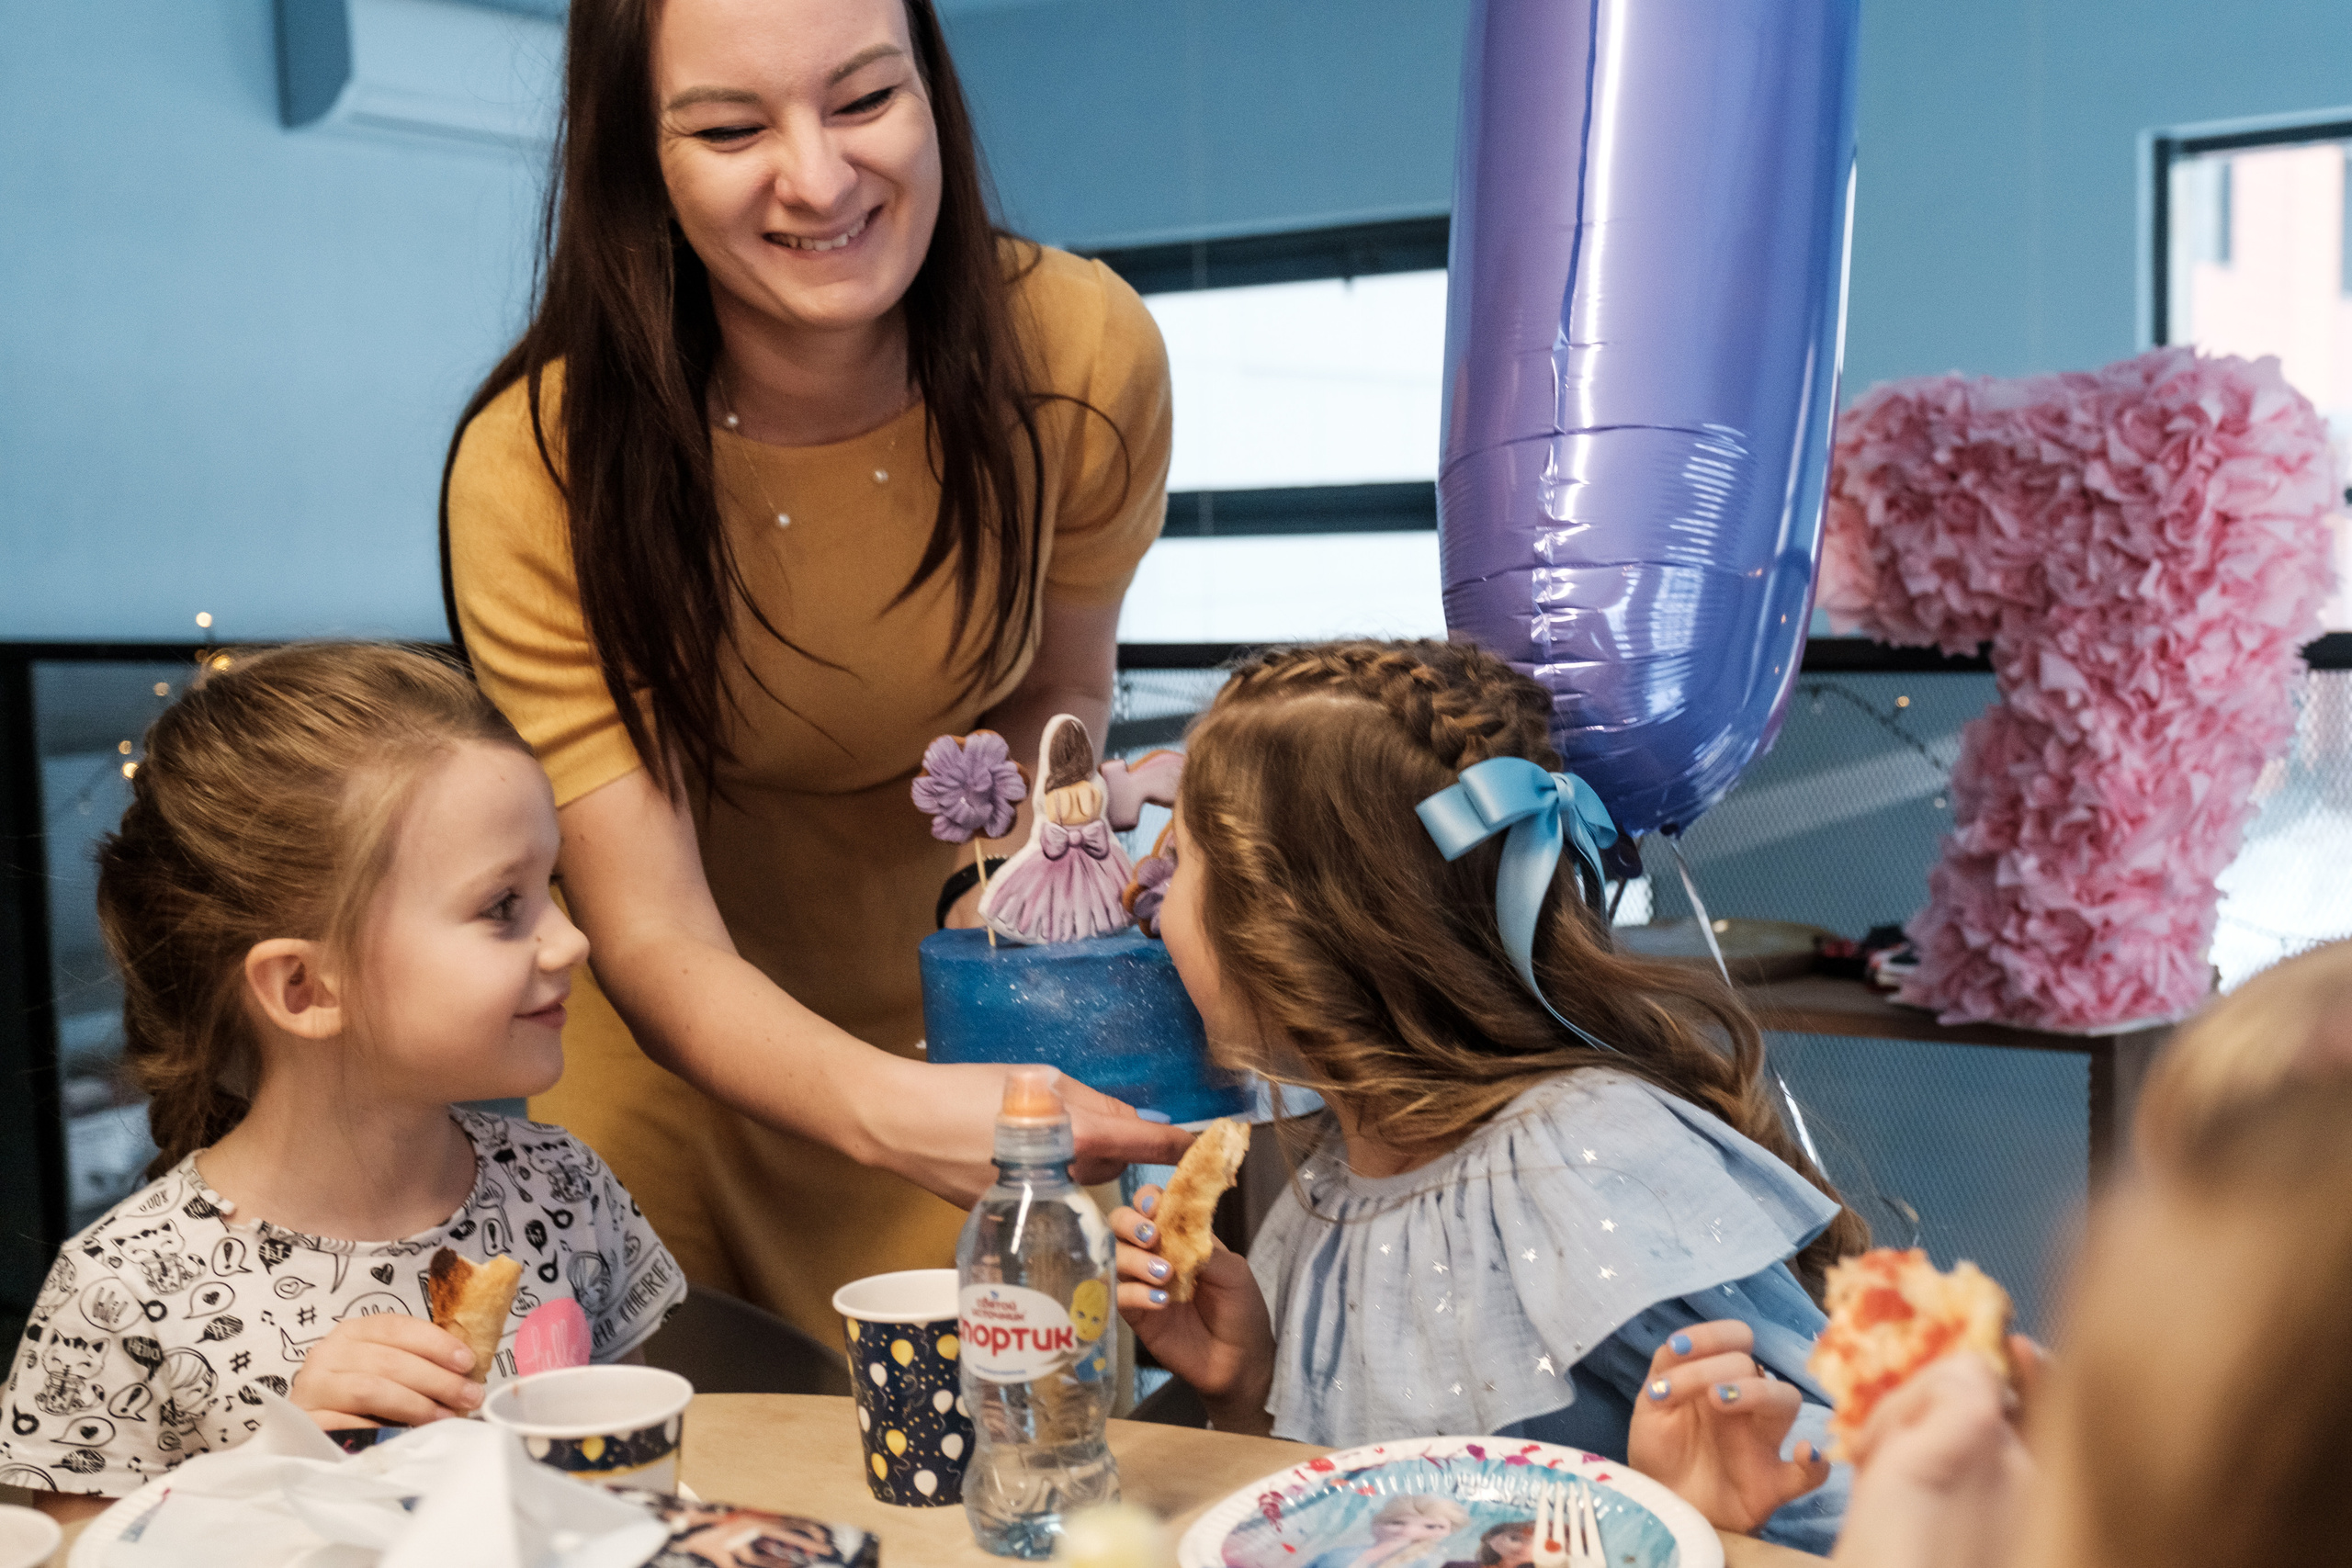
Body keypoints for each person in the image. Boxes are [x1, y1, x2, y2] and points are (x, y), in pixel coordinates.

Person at [438, 0, 1190, 1345]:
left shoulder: (1083, 353)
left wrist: (1029, 899)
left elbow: (1059, 696)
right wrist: (895, 1114)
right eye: (730, 128)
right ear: (641, 161)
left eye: (861, 101)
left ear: (932, 92)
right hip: (680, 1050)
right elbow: (654, 928)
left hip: (971, 1007)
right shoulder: (540, 468)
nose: (822, 178)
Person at [1105, 639, 1866, 1552]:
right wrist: (1244, 1385)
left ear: (1283, 929)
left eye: (1180, 857)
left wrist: (1690, 1526)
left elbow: (1866, 1484)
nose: (1143, 893)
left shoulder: (1579, 1161)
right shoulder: (1332, 1183)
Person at [0, 645, 686, 1524]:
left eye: (549, 886)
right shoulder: (118, 1297)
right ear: (306, 988)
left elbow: (627, 1508)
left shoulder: (565, 1190)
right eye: (502, 906)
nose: (571, 941)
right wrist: (276, 1472)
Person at [1297, 1495, 1472, 1568]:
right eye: (1396, 1523)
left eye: (1431, 1526)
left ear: (1449, 1531)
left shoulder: (1433, 1563)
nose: (1408, 1531)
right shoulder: (1337, 1555)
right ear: (1376, 1526)